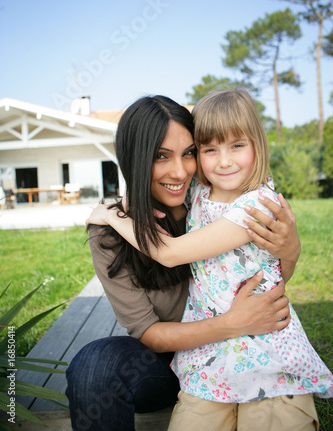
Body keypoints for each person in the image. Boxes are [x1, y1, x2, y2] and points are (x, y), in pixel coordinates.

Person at [101, 89, 333, 431]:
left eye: (237, 146)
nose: (223, 161)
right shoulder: (198, 192)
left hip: (266, 347)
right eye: (209, 149)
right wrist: (127, 202)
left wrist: (113, 216)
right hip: (209, 358)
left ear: (258, 145)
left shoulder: (256, 206)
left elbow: (169, 253)